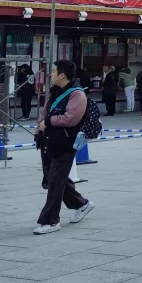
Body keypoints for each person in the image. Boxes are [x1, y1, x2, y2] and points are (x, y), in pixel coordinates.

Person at [32, 60, 93, 235]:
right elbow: (45, 113)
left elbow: (70, 118)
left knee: (55, 183)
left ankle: (50, 221)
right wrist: (39, 127)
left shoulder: (77, 95)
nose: (50, 74)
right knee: (55, 179)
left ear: (62, 75)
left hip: (64, 144)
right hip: (48, 141)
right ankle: (81, 204)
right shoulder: (55, 92)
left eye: (53, 71)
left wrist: (48, 122)